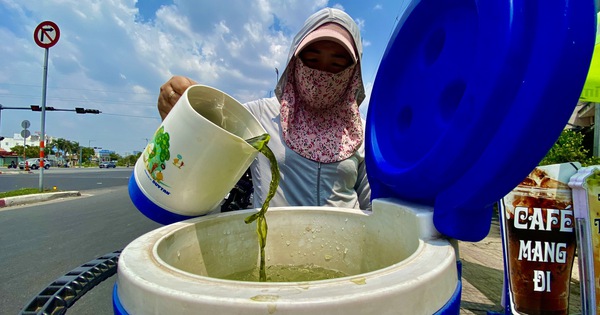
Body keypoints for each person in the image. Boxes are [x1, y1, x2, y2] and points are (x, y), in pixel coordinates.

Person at [157, 8, 371, 211]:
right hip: (276, 246)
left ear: (353, 72)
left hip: (345, 245)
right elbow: (206, 144)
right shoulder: (258, 116)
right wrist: (183, 107)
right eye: (313, 60)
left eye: (337, 64)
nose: (322, 74)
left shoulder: (360, 131)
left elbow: (374, 204)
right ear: (294, 61)